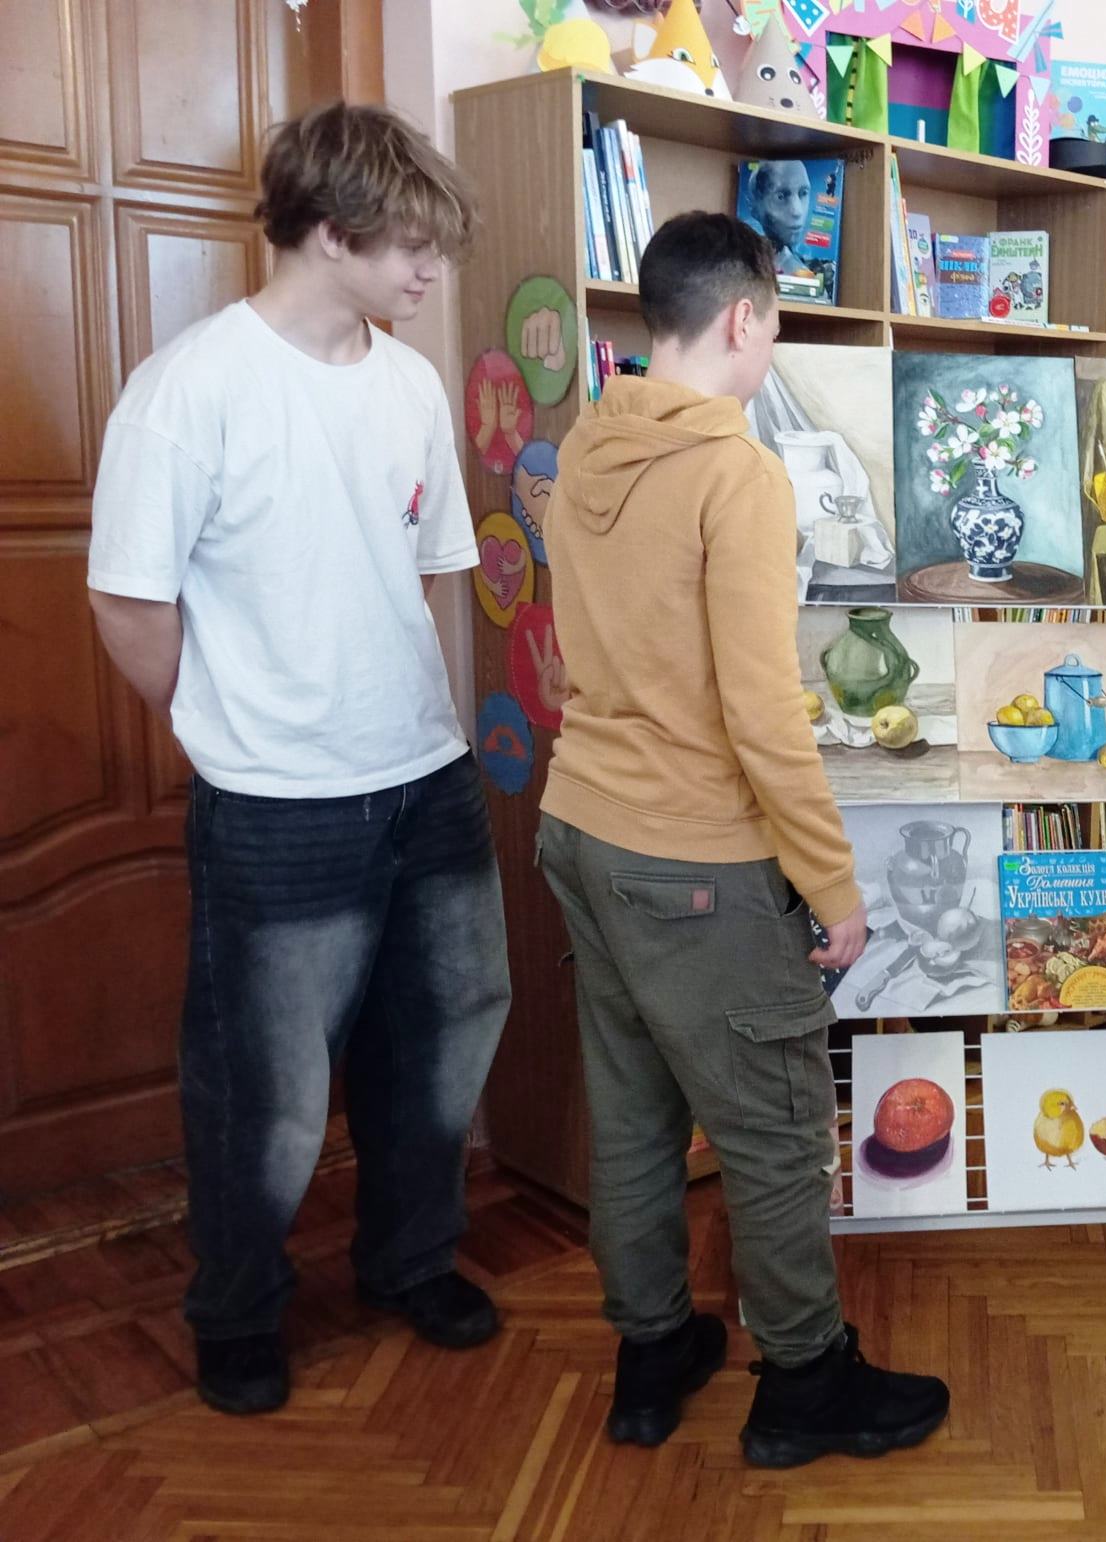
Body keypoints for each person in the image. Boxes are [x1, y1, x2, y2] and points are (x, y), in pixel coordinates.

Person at [85, 104, 510, 1416]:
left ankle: (409, 1261)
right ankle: (237, 1312)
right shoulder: (189, 390)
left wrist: (401, 711)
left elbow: (429, 575)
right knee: (263, 1090)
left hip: (426, 776)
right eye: (411, 247)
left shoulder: (410, 385)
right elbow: (129, 603)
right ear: (330, 231)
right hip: (274, 804)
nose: (431, 271)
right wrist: (226, 719)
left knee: (442, 1038)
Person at [536, 211, 950, 1466]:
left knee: (632, 1111)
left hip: (580, 827)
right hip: (694, 860)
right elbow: (762, 710)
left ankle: (652, 1353)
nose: (771, 350)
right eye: (773, 326)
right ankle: (804, 1382)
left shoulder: (586, 442)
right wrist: (832, 885)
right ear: (740, 318)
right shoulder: (736, 473)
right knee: (772, 1131)